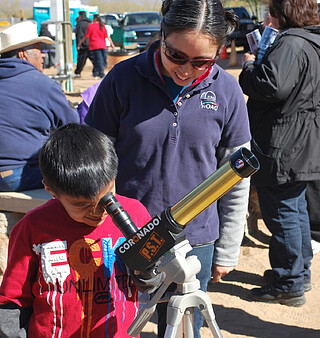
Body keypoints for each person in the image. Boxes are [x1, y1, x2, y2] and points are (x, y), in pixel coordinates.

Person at [85, 0, 251, 336]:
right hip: (130, 234)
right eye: (176, 55)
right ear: (162, 36)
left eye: (201, 62)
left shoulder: (227, 90)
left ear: (220, 52)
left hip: (197, 239)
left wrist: (229, 247)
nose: (186, 70)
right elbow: (94, 158)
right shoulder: (122, 79)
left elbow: (236, 176)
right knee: (117, 323)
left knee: (185, 326)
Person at [0, 123, 163, 337]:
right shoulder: (33, 227)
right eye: (82, 205)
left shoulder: (136, 213)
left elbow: (156, 281)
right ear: (51, 191)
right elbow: (13, 301)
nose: (98, 212)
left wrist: (149, 275)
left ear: (114, 178)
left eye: (107, 199)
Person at [239, 0, 320, 306]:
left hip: (283, 143)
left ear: (283, 13)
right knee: (296, 210)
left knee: (283, 212)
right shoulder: (312, 40)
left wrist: (248, 66)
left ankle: (288, 282)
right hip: (303, 140)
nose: (268, 19)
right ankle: (299, 274)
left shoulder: (291, 43)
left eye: (271, 12)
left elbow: (271, 86)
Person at [0, 20, 79, 192]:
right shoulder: (42, 84)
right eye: (39, 49)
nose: (44, 55)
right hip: (20, 175)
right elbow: (74, 128)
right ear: (23, 54)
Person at [77, 14, 115, 79]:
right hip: (103, 45)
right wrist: (112, 44)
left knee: (98, 60)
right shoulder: (102, 25)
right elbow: (107, 36)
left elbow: (86, 36)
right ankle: (98, 73)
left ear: (95, 19)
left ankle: (101, 74)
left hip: (95, 46)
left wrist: (80, 43)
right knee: (102, 60)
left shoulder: (91, 26)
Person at [74, 11, 94, 77]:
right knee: (94, 60)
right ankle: (97, 72)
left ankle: (78, 72)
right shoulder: (89, 23)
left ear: (80, 16)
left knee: (81, 60)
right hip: (90, 45)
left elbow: (79, 35)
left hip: (83, 45)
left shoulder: (80, 24)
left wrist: (78, 45)